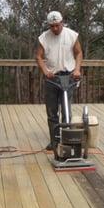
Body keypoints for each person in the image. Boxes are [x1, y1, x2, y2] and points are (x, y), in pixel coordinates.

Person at [35, 11, 83, 150]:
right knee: (52, 111)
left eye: (57, 25)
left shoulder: (71, 35)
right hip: (52, 78)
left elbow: (79, 52)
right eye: (52, 26)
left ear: (62, 22)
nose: (55, 28)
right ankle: (54, 141)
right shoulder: (44, 38)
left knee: (66, 110)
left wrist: (77, 69)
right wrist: (45, 71)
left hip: (68, 76)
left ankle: (66, 140)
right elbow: (38, 56)